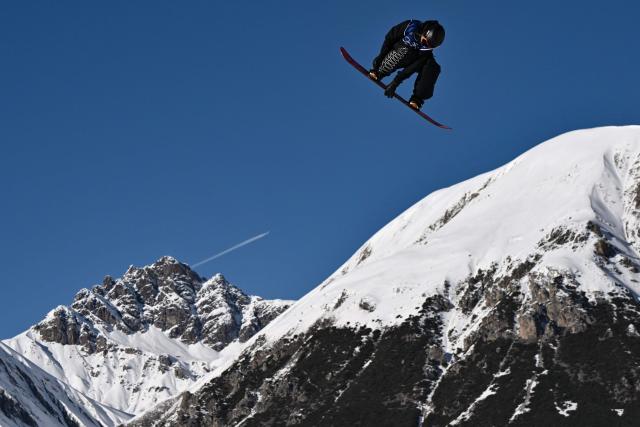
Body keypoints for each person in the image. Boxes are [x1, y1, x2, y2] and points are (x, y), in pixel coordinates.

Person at [369, 20, 445, 110]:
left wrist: (395, 83)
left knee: (432, 67)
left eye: (429, 46)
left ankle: (417, 99)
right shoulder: (410, 27)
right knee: (404, 49)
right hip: (401, 49)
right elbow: (390, 38)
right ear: (424, 33)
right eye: (425, 43)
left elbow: (413, 67)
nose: (425, 46)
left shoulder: (426, 51)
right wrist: (380, 58)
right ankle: (380, 70)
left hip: (415, 60)